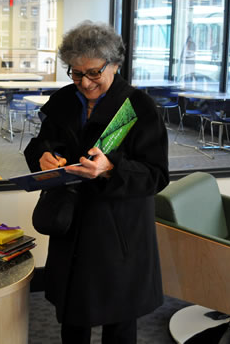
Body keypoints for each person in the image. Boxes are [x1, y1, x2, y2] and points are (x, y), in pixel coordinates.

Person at [24, 21, 169, 344]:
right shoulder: (64, 100)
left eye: (93, 73)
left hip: (119, 231)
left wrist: (109, 169)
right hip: (72, 222)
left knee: (119, 318)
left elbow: (156, 174)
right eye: (75, 73)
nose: (84, 83)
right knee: (72, 312)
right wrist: (44, 157)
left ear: (114, 64)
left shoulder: (138, 107)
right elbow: (41, 143)